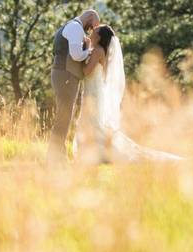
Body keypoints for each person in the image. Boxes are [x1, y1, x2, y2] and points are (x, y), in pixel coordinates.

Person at [75, 24, 183, 163]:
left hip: (93, 93)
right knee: (93, 121)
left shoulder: (97, 51)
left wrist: (76, 61)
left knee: (92, 121)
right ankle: (93, 152)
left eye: (95, 31)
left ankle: (98, 153)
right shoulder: (100, 50)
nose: (91, 32)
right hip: (94, 91)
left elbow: (86, 71)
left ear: (99, 36)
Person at [46, 10, 100, 162]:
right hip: (66, 75)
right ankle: (55, 155)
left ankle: (57, 154)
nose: (91, 31)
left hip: (64, 74)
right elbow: (76, 55)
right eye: (92, 26)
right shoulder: (76, 27)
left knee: (64, 115)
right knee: (63, 116)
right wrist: (90, 51)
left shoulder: (72, 27)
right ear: (89, 18)